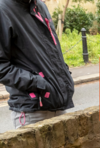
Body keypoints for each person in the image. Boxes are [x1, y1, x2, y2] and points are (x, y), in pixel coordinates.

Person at [0, 0, 75, 129]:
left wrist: (64, 76)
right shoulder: (3, 10)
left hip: (58, 105)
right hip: (32, 113)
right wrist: (39, 84)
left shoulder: (39, 5)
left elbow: (51, 50)